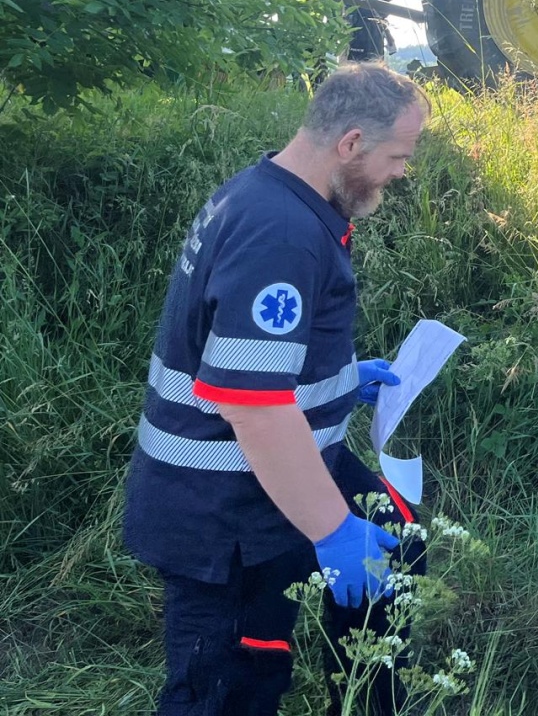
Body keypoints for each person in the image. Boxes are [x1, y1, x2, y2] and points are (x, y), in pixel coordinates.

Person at [124, 65, 430, 715]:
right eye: (398, 156)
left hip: (264, 484)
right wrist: (331, 528)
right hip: (221, 513)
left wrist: (344, 383)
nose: (402, 173)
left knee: (399, 547)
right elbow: (252, 405)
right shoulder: (281, 232)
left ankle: (370, 702)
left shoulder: (274, 199)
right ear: (350, 144)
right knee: (229, 685)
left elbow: (255, 360)